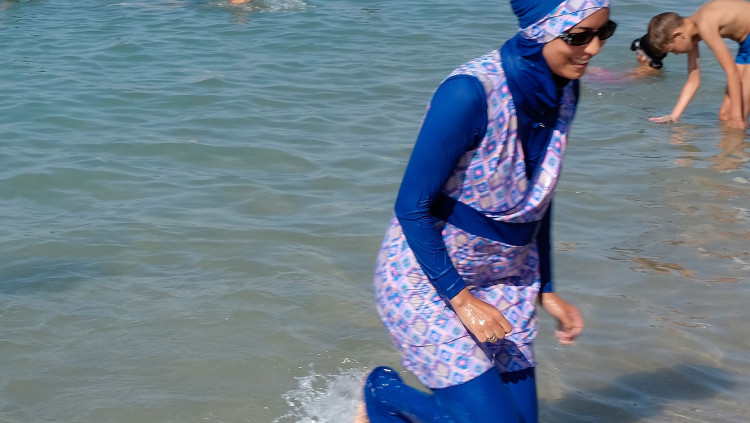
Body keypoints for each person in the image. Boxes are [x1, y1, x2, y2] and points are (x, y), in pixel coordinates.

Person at [359, 0, 614, 422]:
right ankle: (381, 390)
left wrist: (546, 288)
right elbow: (411, 207)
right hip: (427, 279)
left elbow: (538, 197)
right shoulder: (469, 93)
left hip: (507, 279)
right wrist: (462, 301)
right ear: (539, 30)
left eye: (604, 32)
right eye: (578, 36)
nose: (594, 49)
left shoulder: (565, 89)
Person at [644, 1, 750, 129]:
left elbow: (731, 71)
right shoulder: (690, 34)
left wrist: (737, 118)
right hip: (745, 44)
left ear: (678, 35)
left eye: (672, 50)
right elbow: (693, 81)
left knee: (738, 116)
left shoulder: (704, 26)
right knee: (725, 115)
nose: (676, 54)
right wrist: (674, 116)